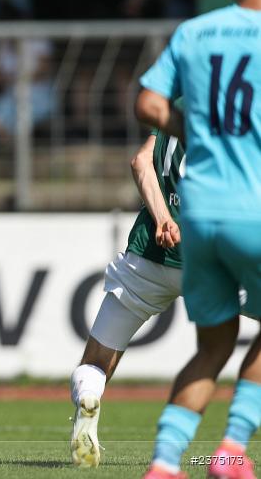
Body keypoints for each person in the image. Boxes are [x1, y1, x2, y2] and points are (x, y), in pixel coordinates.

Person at [135, 0, 261, 479]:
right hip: (255, 207)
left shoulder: (193, 32)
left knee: (213, 345)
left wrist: (190, 130)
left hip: (199, 216)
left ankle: (164, 464)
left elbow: (147, 103)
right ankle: (231, 450)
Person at [69, 128, 185, 468]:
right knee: (215, 351)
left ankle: (89, 396)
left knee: (94, 363)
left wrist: (164, 218)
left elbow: (140, 162)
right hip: (214, 261)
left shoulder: (176, 106)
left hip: (150, 257)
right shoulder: (241, 110)